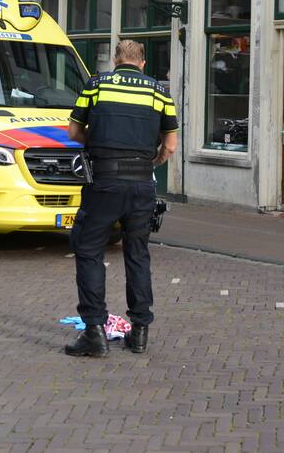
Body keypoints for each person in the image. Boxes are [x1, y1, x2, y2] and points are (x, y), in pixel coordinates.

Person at [64, 40, 179, 357]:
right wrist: (153, 161)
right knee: (137, 253)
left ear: (116, 60)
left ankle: (95, 333)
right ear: (142, 63)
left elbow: (73, 132)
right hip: (142, 183)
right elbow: (170, 144)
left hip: (104, 181)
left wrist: (96, 139)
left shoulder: (97, 85)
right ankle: (140, 332)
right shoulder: (158, 91)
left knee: (88, 249)